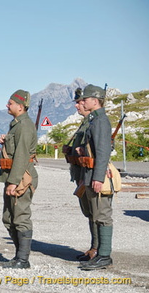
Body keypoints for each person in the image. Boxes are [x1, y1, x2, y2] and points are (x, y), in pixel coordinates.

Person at [0, 90, 38, 269]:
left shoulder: (24, 126)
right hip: (13, 175)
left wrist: (13, 182)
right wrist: (5, 141)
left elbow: (21, 156)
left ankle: (23, 259)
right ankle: (18, 256)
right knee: (8, 218)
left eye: (10, 103)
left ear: (20, 107)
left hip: (21, 177)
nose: (7, 105)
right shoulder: (16, 125)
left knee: (20, 216)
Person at [77, 84, 113, 271]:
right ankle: (99, 254)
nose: (82, 102)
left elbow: (103, 151)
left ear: (95, 100)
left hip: (96, 175)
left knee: (102, 215)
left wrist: (98, 178)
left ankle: (105, 255)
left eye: (85, 99)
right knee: (96, 215)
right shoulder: (94, 120)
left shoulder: (100, 121)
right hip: (90, 173)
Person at [63, 88, 98, 261]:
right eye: (77, 102)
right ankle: (93, 247)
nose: (77, 105)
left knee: (95, 213)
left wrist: (83, 150)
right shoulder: (84, 123)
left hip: (88, 175)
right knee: (89, 213)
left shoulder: (95, 122)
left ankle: (96, 249)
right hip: (80, 174)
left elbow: (104, 148)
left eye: (79, 102)